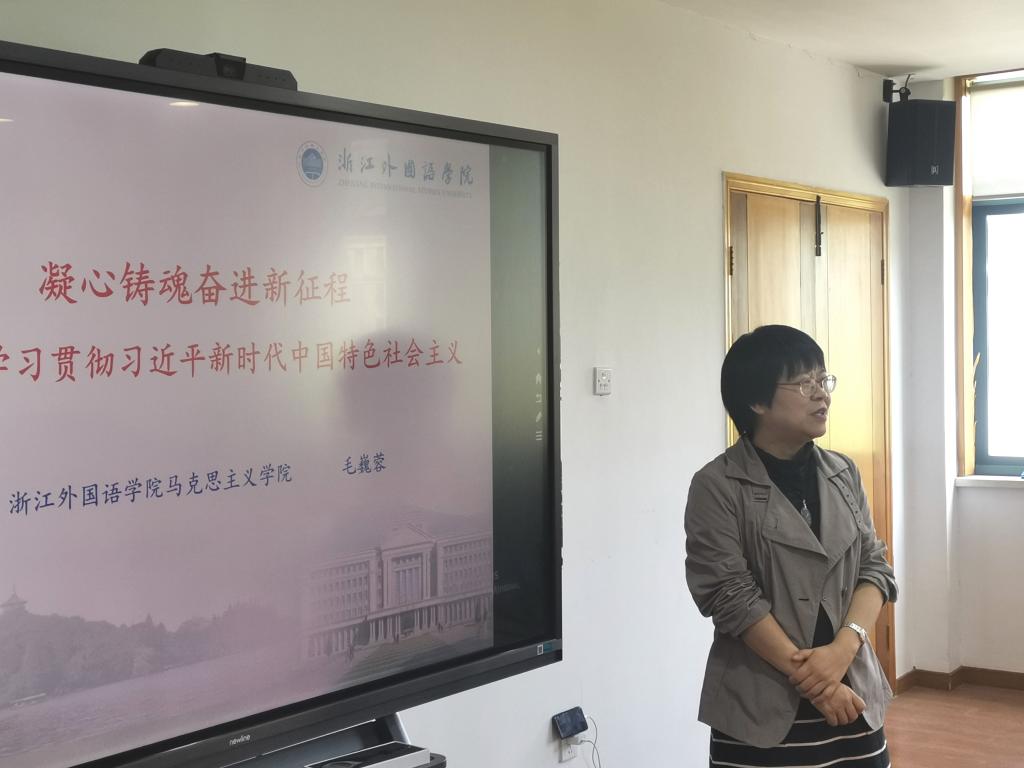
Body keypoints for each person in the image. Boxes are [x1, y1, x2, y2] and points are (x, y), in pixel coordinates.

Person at [684, 324, 897, 766]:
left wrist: (842, 651)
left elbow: (874, 568)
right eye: (804, 383)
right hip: (760, 709)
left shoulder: (843, 472)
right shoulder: (717, 485)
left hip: (853, 697)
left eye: (823, 380)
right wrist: (820, 684)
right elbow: (730, 596)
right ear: (757, 401)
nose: (822, 395)